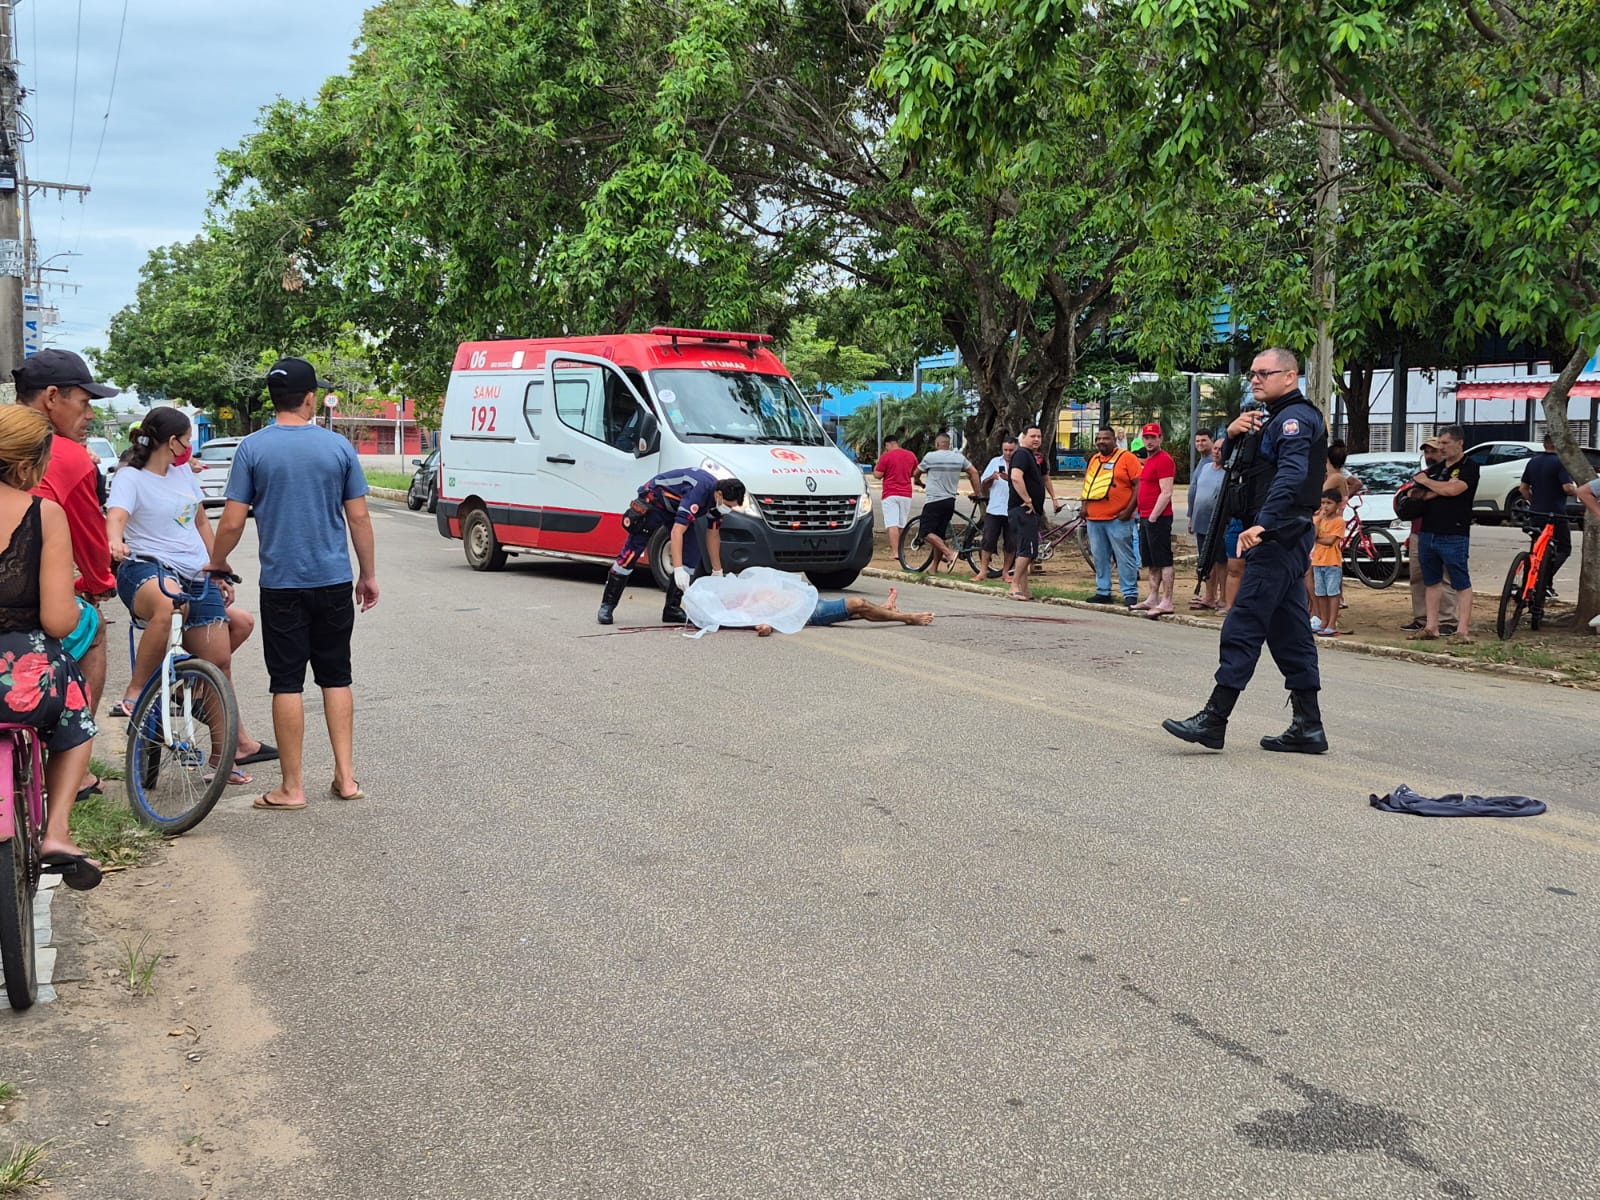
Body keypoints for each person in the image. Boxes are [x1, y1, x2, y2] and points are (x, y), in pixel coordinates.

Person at [208, 357, 379, 812]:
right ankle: (345, 778)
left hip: (282, 585)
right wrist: (367, 575)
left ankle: (292, 788)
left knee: (286, 682)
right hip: (333, 580)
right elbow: (359, 518)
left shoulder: (252, 449)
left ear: (274, 399)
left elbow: (231, 520)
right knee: (336, 675)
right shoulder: (338, 447)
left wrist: (217, 562)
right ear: (309, 398)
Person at [1164, 347, 1329, 753]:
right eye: (1252, 373)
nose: (1255, 379)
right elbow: (1241, 469)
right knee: (1290, 631)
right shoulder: (1268, 418)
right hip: (1278, 535)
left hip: (1278, 535)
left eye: (1263, 373)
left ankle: (1214, 719)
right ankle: (1308, 726)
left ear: (1289, 376)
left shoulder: (1294, 419)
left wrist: (1264, 522)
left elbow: (1292, 475)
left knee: (1244, 622)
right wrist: (1234, 435)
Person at [105, 406, 273, 776]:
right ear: (172, 441)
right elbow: (116, 516)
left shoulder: (182, 472)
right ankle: (136, 691)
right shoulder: (131, 477)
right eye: (187, 441)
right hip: (147, 568)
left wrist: (217, 567)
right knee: (169, 604)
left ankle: (221, 754)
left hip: (196, 573)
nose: (190, 448)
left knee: (218, 662)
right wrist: (115, 540)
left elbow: (199, 521)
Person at [0, 405, 101, 888]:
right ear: (25, 467)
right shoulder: (43, 514)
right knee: (74, 706)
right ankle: (57, 831)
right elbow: (57, 621)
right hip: (21, 686)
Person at [15, 349, 118, 801]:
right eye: (85, 402)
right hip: (26, 604)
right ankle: (72, 763)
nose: (90, 414)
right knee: (90, 627)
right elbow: (92, 543)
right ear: (52, 397)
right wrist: (99, 586)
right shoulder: (69, 457)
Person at [597, 468, 746, 625]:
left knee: (692, 553)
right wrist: (678, 569)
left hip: (674, 507)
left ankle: (672, 609)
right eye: (728, 505)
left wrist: (717, 571)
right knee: (632, 552)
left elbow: (713, 534)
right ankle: (607, 605)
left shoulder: (717, 502)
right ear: (719, 494)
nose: (728, 509)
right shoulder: (698, 492)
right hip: (654, 502)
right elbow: (677, 531)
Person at [1411, 424, 1479, 644]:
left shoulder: (1469, 466)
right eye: (1439, 443)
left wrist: (1431, 485)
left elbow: (1454, 490)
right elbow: (1418, 493)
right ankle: (1431, 626)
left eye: (1445, 443)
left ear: (1459, 443)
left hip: (1454, 532)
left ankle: (1462, 631)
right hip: (1428, 531)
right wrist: (1438, 487)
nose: (1441, 447)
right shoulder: (1436, 469)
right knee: (1431, 581)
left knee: (1460, 581)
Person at [1080, 426, 1141, 605]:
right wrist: (1084, 507)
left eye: (1106, 438)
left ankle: (1129, 593)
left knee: (1124, 557)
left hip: (1118, 519)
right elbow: (1088, 484)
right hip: (1094, 519)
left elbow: (1139, 485)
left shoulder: (1127, 458)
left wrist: (1128, 511)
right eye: (1098, 438)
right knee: (1099, 557)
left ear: (1114, 440)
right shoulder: (1094, 459)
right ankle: (1103, 591)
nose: (1101, 442)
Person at [1401, 437, 1458, 634]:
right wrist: (1433, 490)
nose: (1429, 456)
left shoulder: (1450, 474)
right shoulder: (1421, 475)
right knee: (1417, 577)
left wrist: (1430, 489)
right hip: (1418, 532)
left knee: (1444, 577)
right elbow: (1411, 496)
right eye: (1426, 452)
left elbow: (1451, 491)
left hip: (1444, 532)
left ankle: (1447, 620)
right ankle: (1421, 618)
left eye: (1433, 451)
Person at [914, 433, 982, 569]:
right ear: (949, 444)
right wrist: (977, 492)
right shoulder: (958, 458)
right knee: (939, 535)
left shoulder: (930, 457)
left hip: (934, 500)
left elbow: (916, 473)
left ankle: (949, 553)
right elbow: (974, 472)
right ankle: (934, 568)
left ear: (937, 444)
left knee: (925, 532)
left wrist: (918, 481)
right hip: (950, 500)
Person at [1132, 422, 1177, 615]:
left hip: (1158, 517)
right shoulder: (1148, 460)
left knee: (1163, 559)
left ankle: (1167, 600)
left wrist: (1153, 517)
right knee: (1151, 560)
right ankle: (1153, 597)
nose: (1149, 441)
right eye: (1146, 437)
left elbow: (1166, 492)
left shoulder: (1164, 460)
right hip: (1144, 516)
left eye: (1153, 437)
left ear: (1160, 438)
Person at [753, 588, 934, 635]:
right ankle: (907, 618)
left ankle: (884, 609)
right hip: (812, 611)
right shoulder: (740, 608)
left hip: (810, 601)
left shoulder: (746, 585)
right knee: (858, 603)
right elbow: (759, 620)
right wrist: (766, 627)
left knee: (856, 610)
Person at [1519, 433, 1574, 587]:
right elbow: (1567, 488)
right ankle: (1544, 580)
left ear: (1544, 445)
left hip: (1536, 512)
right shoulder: (1560, 463)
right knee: (1564, 548)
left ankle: (1527, 584)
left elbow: (1523, 488)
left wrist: (1534, 501)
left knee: (1536, 550)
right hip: (1556, 513)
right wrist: (1580, 492)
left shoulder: (1533, 462)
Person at [1007, 425, 1047, 600]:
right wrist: (1027, 499)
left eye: (1039, 436)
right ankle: (1014, 585)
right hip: (1023, 510)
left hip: (1028, 512)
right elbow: (1016, 477)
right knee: (1028, 551)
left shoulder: (1031, 456)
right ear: (1023, 437)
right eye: (1032, 436)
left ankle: (1025, 590)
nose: (1036, 439)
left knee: (1024, 550)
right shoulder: (1022, 454)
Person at [1189, 439, 1227, 610]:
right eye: (1215, 448)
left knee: (1221, 562)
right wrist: (1191, 517)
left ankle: (1224, 597)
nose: (1216, 452)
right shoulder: (1205, 468)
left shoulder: (1229, 472)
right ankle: (1209, 596)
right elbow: (1195, 492)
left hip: (1219, 524)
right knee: (1206, 561)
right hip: (1201, 522)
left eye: (1220, 449)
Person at [974, 438, 1016, 582]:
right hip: (995, 508)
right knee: (988, 541)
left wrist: (1009, 479)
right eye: (1005, 450)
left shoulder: (1020, 463)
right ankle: (983, 571)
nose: (1008, 453)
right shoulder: (995, 462)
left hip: (1012, 509)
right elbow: (983, 485)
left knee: (1011, 543)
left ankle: (1006, 572)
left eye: (1011, 450)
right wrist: (991, 478)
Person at [873, 435, 918, 563]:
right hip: (906, 493)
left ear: (887, 444)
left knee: (892, 523)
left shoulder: (886, 456)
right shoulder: (911, 455)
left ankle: (895, 552)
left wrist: (877, 464)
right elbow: (915, 472)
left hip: (890, 493)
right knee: (901, 523)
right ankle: (900, 550)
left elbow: (877, 475)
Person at [1310, 488, 1346, 636]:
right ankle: (1323, 620)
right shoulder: (1317, 520)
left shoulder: (1339, 521)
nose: (1325, 506)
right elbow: (1312, 535)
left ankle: (1332, 623)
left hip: (1332, 562)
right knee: (1320, 593)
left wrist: (1317, 539)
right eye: (1323, 503)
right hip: (1317, 562)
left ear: (1338, 505)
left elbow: (1330, 541)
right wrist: (1318, 521)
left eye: (1329, 503)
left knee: (1332, 593)